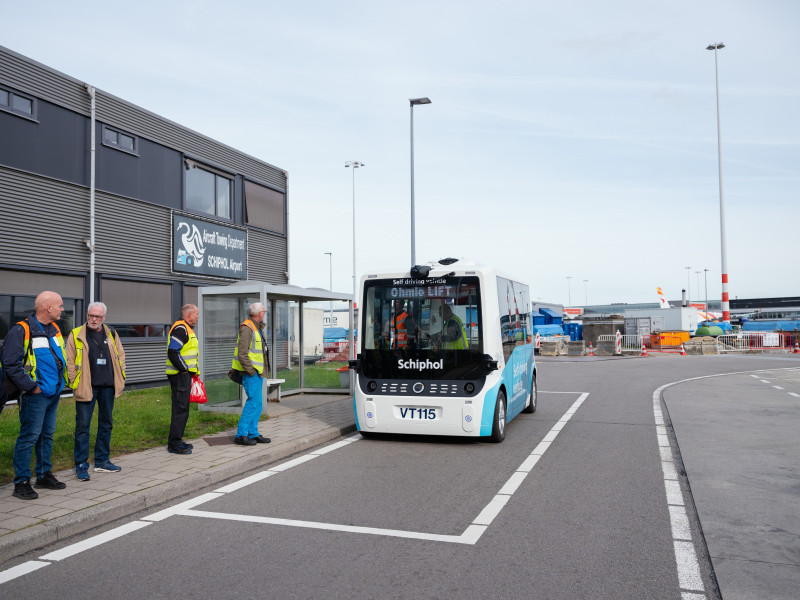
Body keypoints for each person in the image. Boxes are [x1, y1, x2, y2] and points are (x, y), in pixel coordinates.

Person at [2, 291, 67, 500]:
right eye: (60, 305)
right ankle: (21, 482)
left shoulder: (54, 328)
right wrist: (32, 388)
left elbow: (59, 358)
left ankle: (43, 475)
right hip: (35, 395)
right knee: (29, 437)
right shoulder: (21, 330)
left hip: (53, 393)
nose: (62, 309)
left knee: (46, 436)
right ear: (48, 308)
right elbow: (11, 364)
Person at [65, 302, 126, 481]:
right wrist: (73, 381)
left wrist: (121, 376)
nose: (94, 319)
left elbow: (120, 355)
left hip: (108, 386)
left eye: (98, 317)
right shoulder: (76, 334)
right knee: (83, 425)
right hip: (86, 386)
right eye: (91, 315)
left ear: (104, 318)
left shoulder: (111, 333)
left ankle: (102, 461)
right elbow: (69, 360)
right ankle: (81, 464)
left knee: (106, 424)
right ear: (86, 315)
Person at [230, 303, 272, 446]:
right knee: (252, 403)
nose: (264, 313)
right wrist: (251, 371)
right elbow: (242, 354)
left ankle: (253, 432)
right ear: (259, 313)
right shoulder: (247, 328)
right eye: (264, 311)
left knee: (258, 404)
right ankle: (241, 435)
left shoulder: (256, 327)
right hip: (251, 373)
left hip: (258, 373)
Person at [165, 304, 199, 455]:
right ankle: (174, 444)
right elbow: (173, 351)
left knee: (183, 408)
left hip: (182, 375)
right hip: (180, 376)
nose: (198, 317)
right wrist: (184, 369)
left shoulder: (185, 328)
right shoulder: (181, 329)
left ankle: (177, 440)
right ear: (189, 314)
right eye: (197, 314)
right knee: (180, 409)